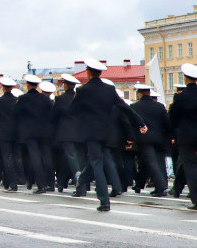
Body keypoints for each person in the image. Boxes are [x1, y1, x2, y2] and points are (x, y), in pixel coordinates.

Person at [69, 58, 146, 211]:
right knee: (95, 161)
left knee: (96, 164)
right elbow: (125, 107)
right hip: (106, 133)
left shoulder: (82, 90)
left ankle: (104, 201)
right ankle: (81, 180)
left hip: (91, 132)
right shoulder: (109, 90)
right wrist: (141, 123)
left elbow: (72, 111)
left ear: (89, 73)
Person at [14, 74, 54, 193]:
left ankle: (41, 185)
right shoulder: (45, 98)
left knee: (35, 158)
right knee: (47, 157)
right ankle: (51, 184)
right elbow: (51, 114)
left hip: (30, 133)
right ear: (37, 86)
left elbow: (14, 112)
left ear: (28, 86)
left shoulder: (22, 99)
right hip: (45, 132)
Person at [131, 84, 171, 197]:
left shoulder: (134, 107)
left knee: (151, 163)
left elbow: (132, 124)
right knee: (160, 163)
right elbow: (167, 123)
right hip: (159, 139)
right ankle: (161, 186)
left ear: (139, 94)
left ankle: (161, 188)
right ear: (149, 93)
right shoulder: (160, 106)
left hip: (144, 139)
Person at [168, 63, 197, 210]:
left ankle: (196, 199)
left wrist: (173, 133)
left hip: (186, 137)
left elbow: (173, 117)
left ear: (185, 79)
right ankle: (177, 188)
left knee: (190, 166)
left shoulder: (180, 97)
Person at [51, 74, 85, 192]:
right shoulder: (80, 99)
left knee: (71, 158)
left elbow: (53, 116)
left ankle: (80, 186)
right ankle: (61, 182)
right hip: (80, 132)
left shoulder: (60, 99)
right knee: (75, 159)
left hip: (66, 133)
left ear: (65, 86)